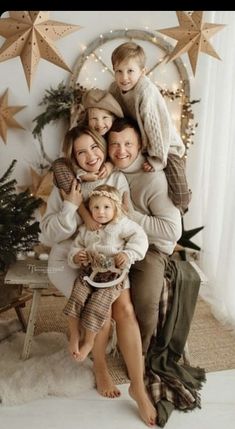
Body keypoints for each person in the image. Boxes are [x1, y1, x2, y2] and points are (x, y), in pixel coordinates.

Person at [40, 126, 157, 426]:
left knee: (126, 311)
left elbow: (126, 222)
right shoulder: (67, 184)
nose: (90, 156)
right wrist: (71, 203)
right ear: (73, 157)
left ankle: (139, 387)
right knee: (102, 309)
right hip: (79, 257)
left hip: (112, 257)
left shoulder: (115, 176)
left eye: (94, 147)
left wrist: (124, 252)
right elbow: (52, 233)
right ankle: (101, 367)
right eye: (81, 152)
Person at [107, 117, 182, 356]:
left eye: (128, 144)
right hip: (116, 241)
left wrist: (131, 216)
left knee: (145, 302)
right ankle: (101, 342)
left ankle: (140, 354)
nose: (121, 151)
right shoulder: (108, 169)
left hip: (151, 248)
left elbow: (172, 230)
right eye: (115, 144)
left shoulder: (153, 178)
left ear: (139, 145)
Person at [64, 184, 148, 362]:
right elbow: (76, 246)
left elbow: (140, 238)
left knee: (97, 306)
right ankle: (74, 335)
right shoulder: (86, 229)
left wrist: (128, 254)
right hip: (89, 274)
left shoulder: (121, 224)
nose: (101, 212)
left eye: (106, 207)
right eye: (96, 207)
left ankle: (89, 342)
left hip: (112, 277)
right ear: (90, 209)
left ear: (115, 208)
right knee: (76, 298)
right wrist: (76, 256)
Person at [109, 42, 191, 214]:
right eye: (119, 71)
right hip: (143, 144)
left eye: (130, 71)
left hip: (166, 146)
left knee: (180, 197)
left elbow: (156, 130)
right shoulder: (114, 89)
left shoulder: (145, 92)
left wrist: (157, 160)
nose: (124, 77)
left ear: (142, 71)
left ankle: (181, 205)